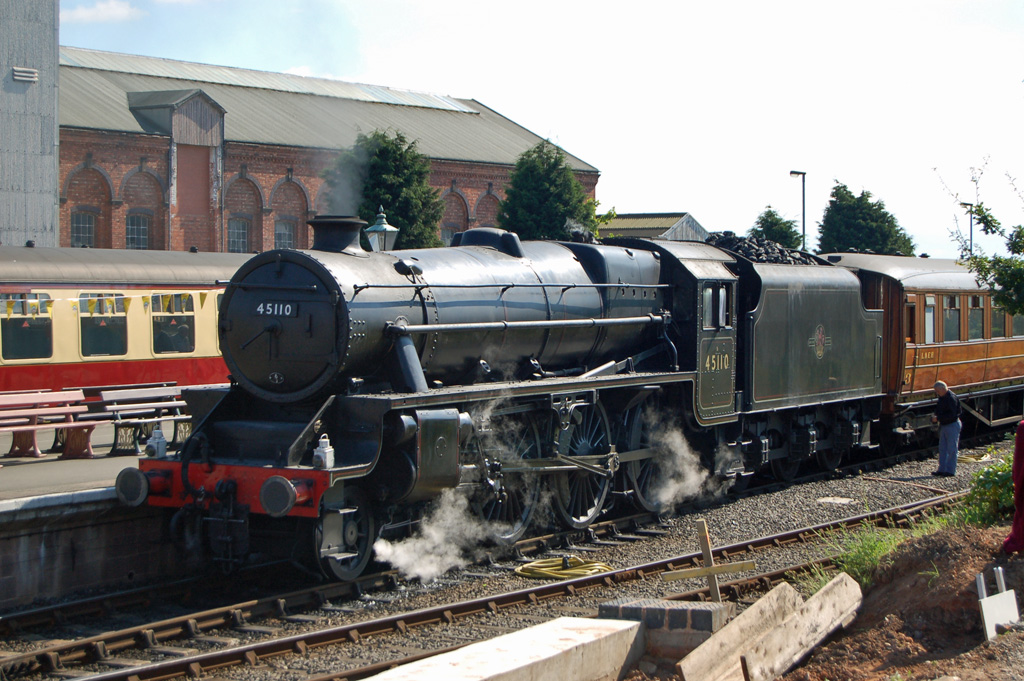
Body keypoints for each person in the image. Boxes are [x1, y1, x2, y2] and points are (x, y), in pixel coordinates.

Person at [931, 380, 961, 477]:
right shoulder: (942, 397)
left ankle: (950, 471)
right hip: (945, 425)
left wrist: (938, 418)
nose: (937, 393)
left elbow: (953, 414)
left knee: (952, 449)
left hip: (952, 424)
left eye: (937, 391)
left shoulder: (951, 398)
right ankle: (942, 469)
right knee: (943, 448)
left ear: (943, 389)